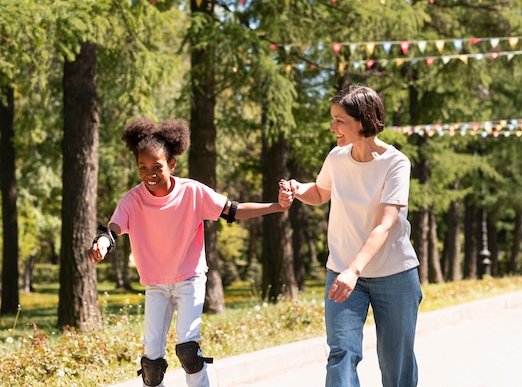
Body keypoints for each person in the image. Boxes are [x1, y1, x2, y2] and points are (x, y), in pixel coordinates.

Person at [89, 118, 293, 387]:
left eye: (157, 167)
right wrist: (102, 242)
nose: (149, 173)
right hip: (156, 285)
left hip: (190, 280)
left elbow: (233, 209)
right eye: (142, 167)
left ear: (172, 164)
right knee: (151, 364)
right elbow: (112, 229)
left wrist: (276, 207)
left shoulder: (192, 192)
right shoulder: (133, 200)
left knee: (188, 351)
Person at [283, 85, 422, 387]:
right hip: (342, 272)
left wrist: (353, 270)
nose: (333, 127)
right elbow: (320, 192)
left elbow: (384, 225)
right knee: (341, 354)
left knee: (396, 361)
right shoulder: (337, 157)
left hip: (393, 274)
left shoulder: (396, 163)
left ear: (362, 121)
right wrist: (297, 187)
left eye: (339, 120)